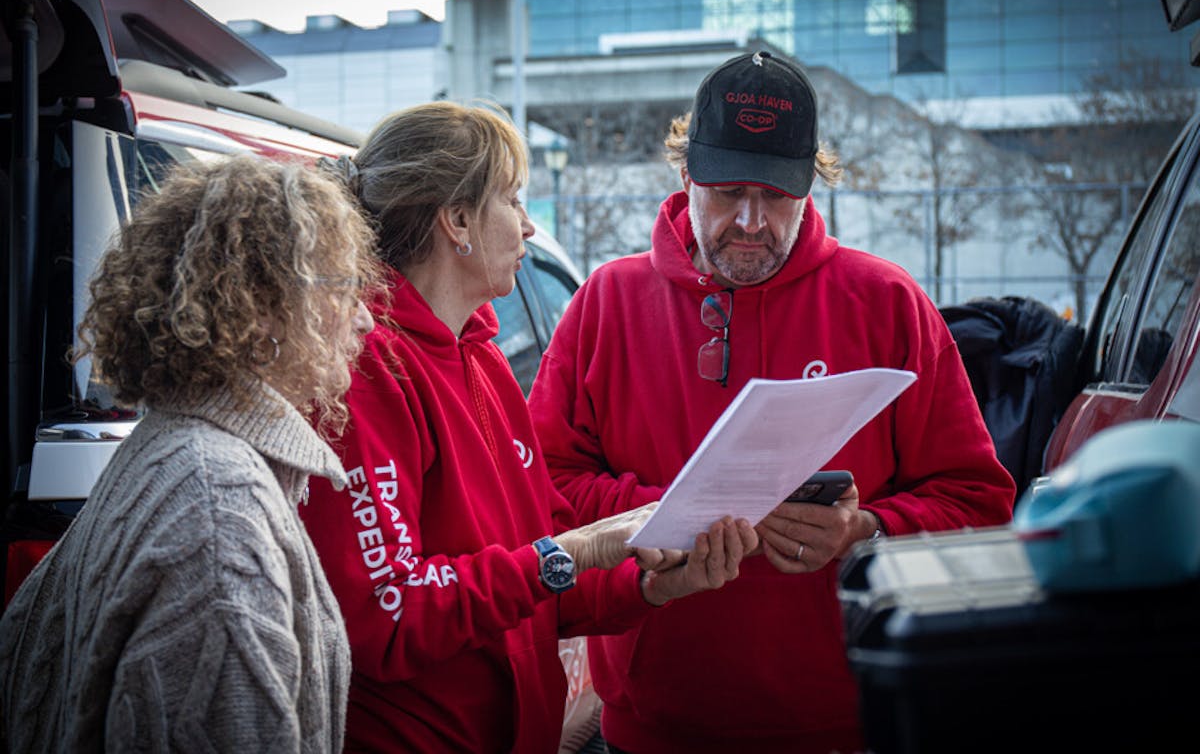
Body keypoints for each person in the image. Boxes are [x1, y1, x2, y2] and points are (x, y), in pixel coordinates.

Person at [527, 50, 1018, 753]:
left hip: (846, 727)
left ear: (812, 184)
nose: (752, 222)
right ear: (685, 173)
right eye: (727, 191)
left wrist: (865, 530)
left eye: (778, 195)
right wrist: (666, 519)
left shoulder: (888, 305)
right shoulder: (606, 304)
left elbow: (979, 502)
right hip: (654, 726)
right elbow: (542, 491)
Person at [300, 101, 758, 753]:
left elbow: (539, 568)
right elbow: (390, 614)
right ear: (456, 221)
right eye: (513, 202)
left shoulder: (480, 352)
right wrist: (572, 552)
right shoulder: (370, 369)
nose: (531, 227)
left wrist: (652, 583)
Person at [0, 155, 378, 751]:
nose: (365, 319)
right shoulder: (220, 511)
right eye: (344, 287)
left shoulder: (176, 447)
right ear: (262, 308)